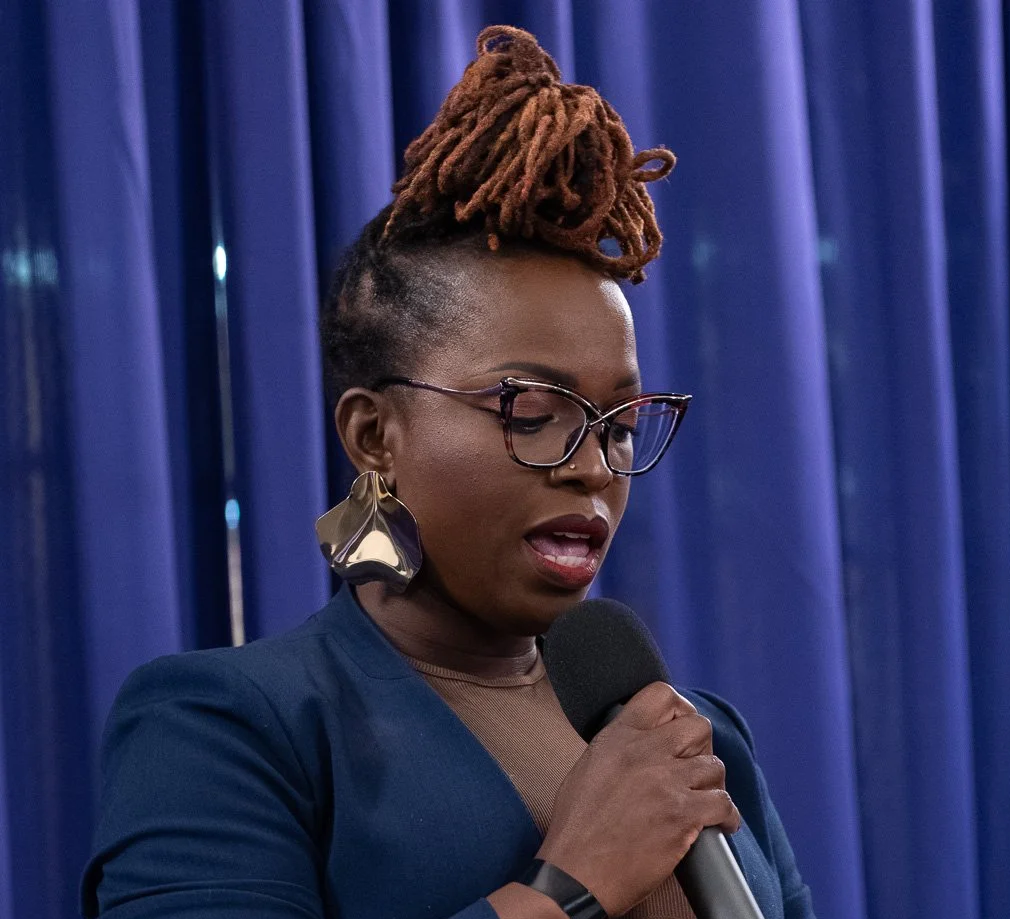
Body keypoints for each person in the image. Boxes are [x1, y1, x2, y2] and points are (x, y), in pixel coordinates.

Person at [80, 26, 815, 919]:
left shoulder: (697, 736)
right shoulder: (231, 726)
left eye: (619, 423)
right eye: (532, 414)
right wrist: (572, 884)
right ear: (374, 433)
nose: (593, 467)